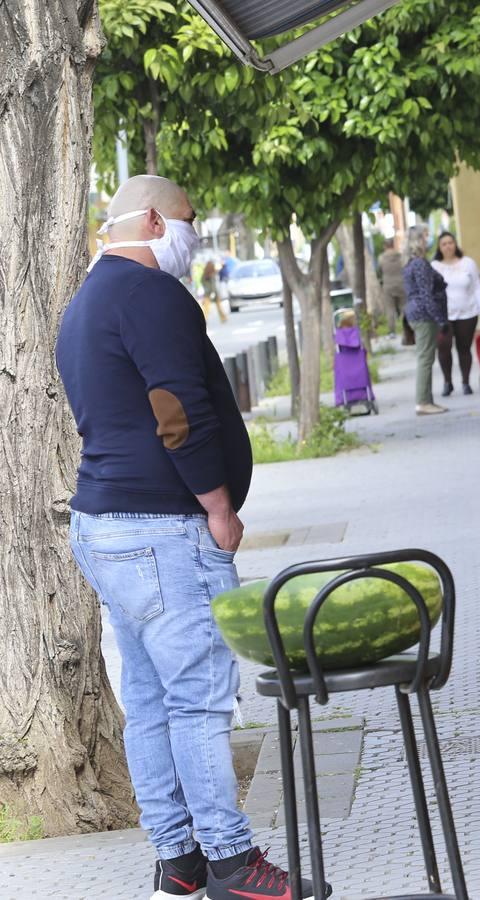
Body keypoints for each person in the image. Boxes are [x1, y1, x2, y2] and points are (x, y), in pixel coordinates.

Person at [55, 174, 329, 900]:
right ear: (151, 219)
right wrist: (218, 505)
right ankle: (233, 864)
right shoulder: (150, 294)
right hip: (162, 530)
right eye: (190, 220)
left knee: (150, 701)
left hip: (105, 525)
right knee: (202, 700)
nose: (195, 234)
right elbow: (175, 410)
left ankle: (178, 859)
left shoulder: (84, 303)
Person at [431, 231, 480, 397]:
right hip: (444, 315)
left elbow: (477, 286)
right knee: (443, 346)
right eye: (444, 244)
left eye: (450, 242)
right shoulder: (434, 266)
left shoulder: (468, 263)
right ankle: (447, 382)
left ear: (455, 244)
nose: (448, 246)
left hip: (467, 312)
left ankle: (465, 382)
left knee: (464, 348)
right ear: (439, 247)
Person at [402, 225, 449, 416]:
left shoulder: (411, 263)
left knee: (426, 357)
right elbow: (426, 294)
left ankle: (427, 400)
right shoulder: (420, 264)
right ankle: (423, 402)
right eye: (426, 236)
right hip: (423, 315)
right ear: (419, 240)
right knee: (425, 358)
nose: (428, 240)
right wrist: (439, 319)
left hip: (416, 313)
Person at [199, 258, 227, 323]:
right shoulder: (211, 274)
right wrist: (212, 292)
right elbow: (213, 285)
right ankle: (223, 318)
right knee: (217, 307)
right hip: (212, 293)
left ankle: (204, 320)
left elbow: (202, 282)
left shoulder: (206, 273)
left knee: (207, 307)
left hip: (208, 293)